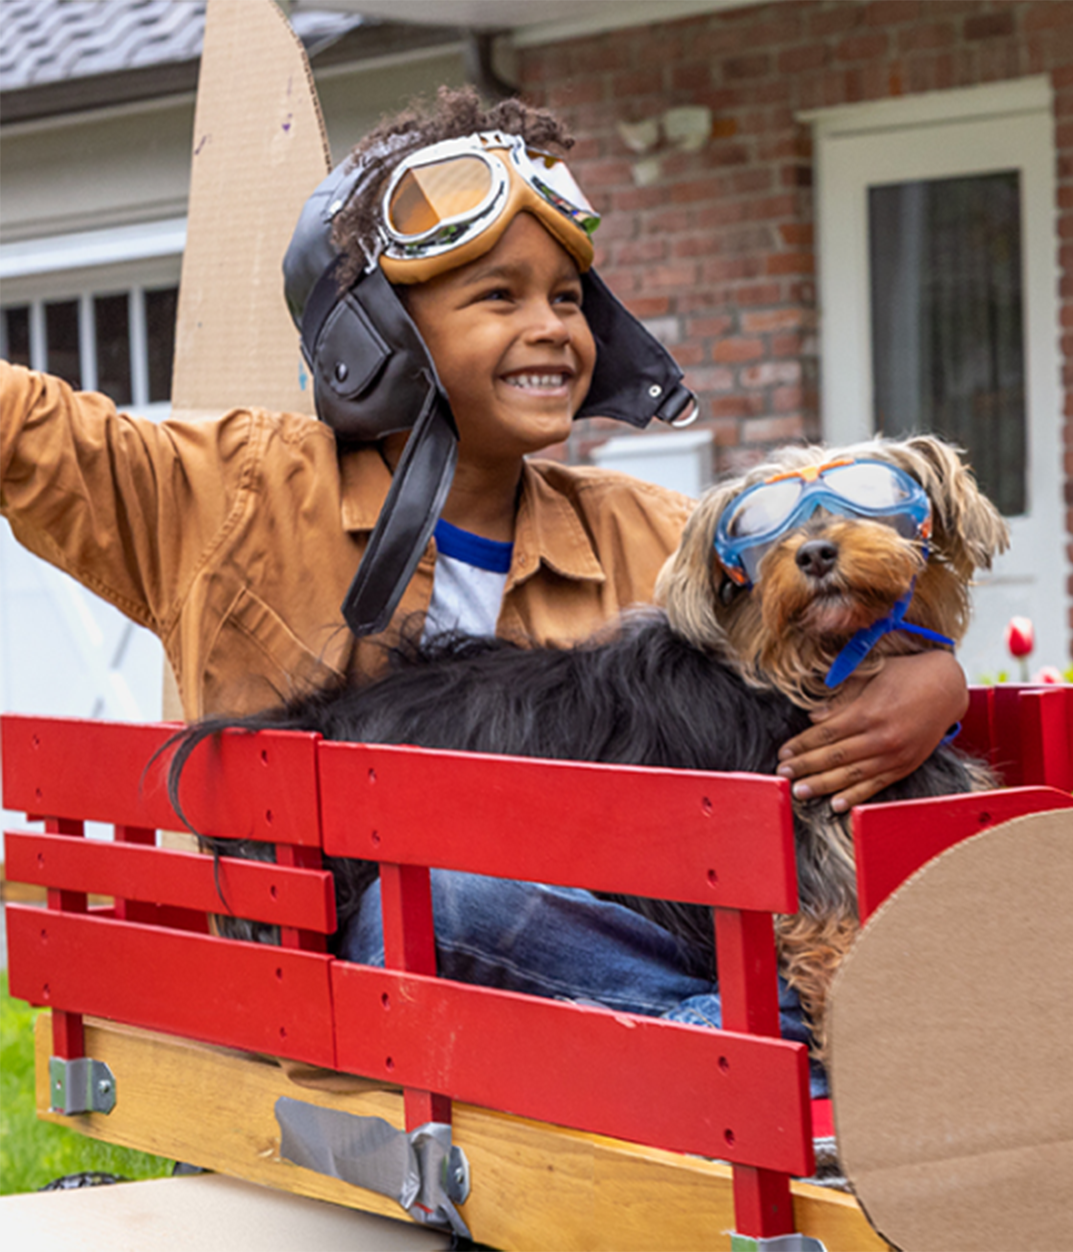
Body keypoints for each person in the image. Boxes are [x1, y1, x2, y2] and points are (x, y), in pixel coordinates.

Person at [0, 89, 968, 1072]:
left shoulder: (652, 535)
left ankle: (768, 1041)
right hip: (362, 986)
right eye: (498, 297)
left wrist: (935, 682)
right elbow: (27, 430)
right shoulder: (228, 492)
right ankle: (783, 1055)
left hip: (600, 961)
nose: (551, 327)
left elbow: (813, 633)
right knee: (449, 899)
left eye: (565, 298)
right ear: (375, 335)